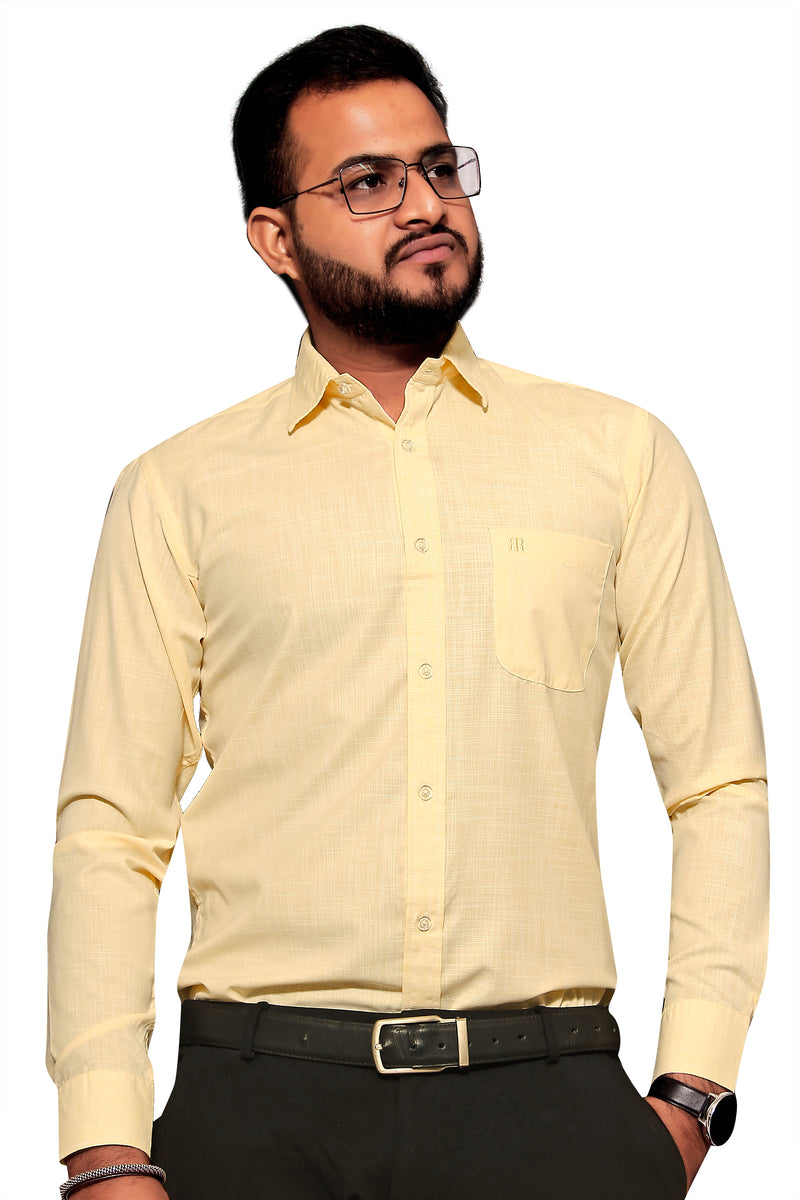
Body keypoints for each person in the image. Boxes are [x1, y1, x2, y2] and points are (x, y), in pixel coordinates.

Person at [47, 24, 768, 1200]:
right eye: (367, 181)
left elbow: (717, 783)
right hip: (257, 1111)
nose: (425, 204)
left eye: (437, 168)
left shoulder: (617, 456)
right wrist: (105, 1148)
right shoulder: (177, 490)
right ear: (273, 237)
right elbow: (111, 828)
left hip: (550, 1108)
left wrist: (689, 1095)